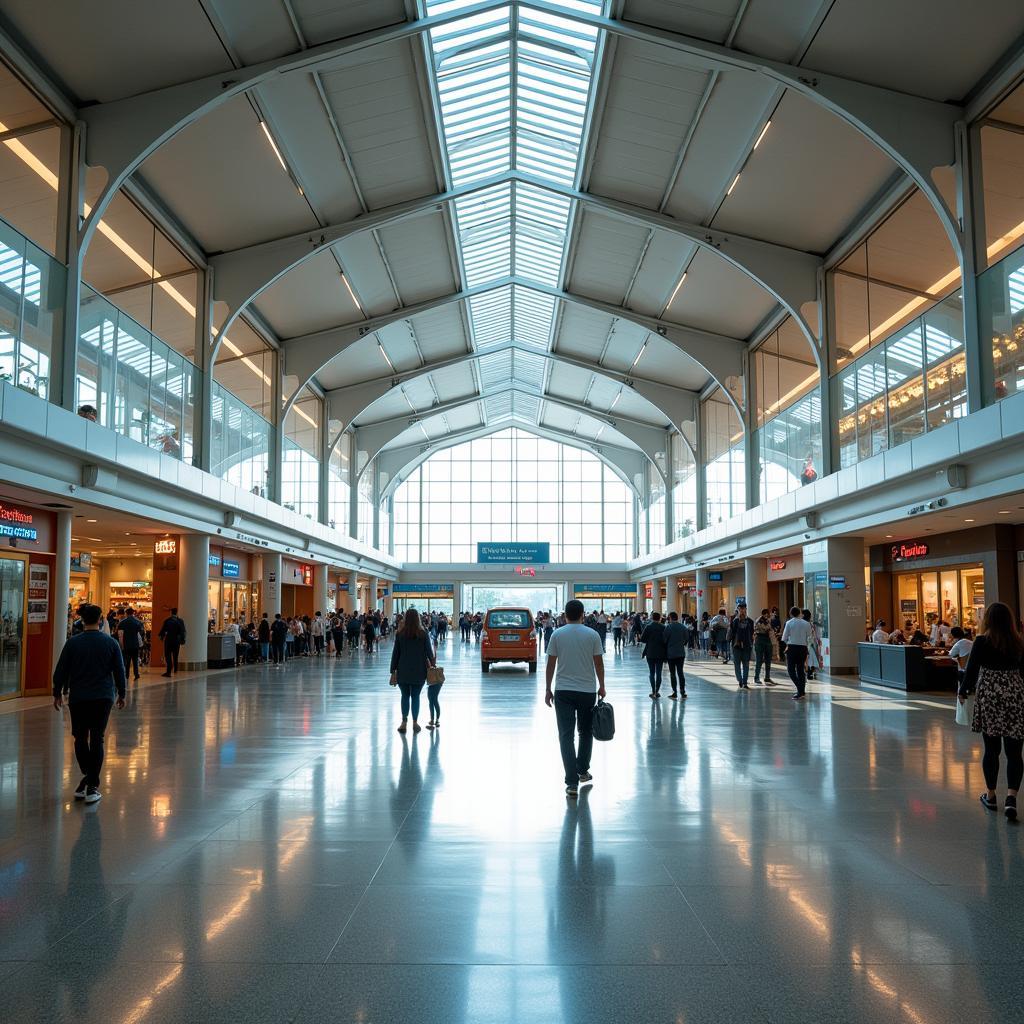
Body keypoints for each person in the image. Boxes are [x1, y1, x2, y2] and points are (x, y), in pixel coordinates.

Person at [52, 604, 126, 804]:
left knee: (79, 737)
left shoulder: (73, 643)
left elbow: (61, 670)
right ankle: (92, 783)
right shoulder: (110, 643)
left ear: (82, 621)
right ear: (101, 619)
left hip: (79, 697)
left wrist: (57, 692)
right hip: (103, 697)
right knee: (97, 738)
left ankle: (88, 777)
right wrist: (122, 693)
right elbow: (119, 670)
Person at [958, 602, 1024, 820]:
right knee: (1015, 752)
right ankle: (1012, 798)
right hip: (1014, 696)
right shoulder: (1018, 642)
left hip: (989, 697)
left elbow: (972, 668)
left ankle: (991, 795)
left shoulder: (981, 641)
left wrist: (964, 690)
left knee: (991, 749)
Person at [544, 599, 605, 799]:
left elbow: (551, 664)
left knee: (565, 735)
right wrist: (602, 686)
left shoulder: (557, 634)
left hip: (563, 691)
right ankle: (582, 771)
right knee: (586, 732)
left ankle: (571, 782)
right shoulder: (593, 634)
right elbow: (598, 664)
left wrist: (547, 688)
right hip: (587, 691)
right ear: (583, 614)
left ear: (565, 615)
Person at [390, 607, 435, 734]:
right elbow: (429, 652)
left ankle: (404, 722)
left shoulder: (400, 634)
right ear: (418, 619)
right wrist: (432, 664)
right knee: (415, 696)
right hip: (419, 670)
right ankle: (415, 722)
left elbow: (396, 653)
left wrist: (392, 669)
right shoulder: (423, 634)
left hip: (403, 669)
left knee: (405, 695)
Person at [781, 606, 813, 700]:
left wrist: (788, 643)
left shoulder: (789, 623)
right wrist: (807, 646)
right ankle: (801, 691)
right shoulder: (806, 624)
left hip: (792, 648)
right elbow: (810, 637)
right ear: (800, 613)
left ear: (790, 614)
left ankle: (800, 690)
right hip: (803, 648)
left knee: (791, 670)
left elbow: (784, 638)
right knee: (800, 670)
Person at [640, 611, 667, 699]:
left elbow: (643, 639)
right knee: (659, 672)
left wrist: (650, 640)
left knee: (652, 672)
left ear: (652, 618)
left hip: (650, 652)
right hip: (660, 653)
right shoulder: (663, 627)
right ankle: (657, 691)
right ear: (659, 618)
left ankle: (653, 691)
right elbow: (666, 640)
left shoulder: (648, 627)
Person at [728, 601, 755, 689]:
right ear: (738, 610)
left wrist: (751, 643)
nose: (742, 611)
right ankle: (740, 680)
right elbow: (731, 633)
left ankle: (745, 682)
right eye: (740, 609)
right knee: (737, 664)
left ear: (746, 609)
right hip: (736, 646)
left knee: (746, 664)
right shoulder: (734, 621)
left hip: (747, 646)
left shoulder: (750, 621)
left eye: (743, 609)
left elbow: (752, 633)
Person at [663, 611, 688, 699]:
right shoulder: (683, 627)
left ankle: (674, 692)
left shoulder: (668, 627)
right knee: (680, 672)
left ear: (670, 618)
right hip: (681, 653)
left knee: (672, 673)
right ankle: (683, 691)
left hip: (671, 654)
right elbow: (686, 639)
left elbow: (664, 640)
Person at [117, 607, 145, 682]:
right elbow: (141, 632)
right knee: (135, 660)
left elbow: (120, 635)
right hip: (135, 644)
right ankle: (136, 674)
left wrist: (121, 645)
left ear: (126, 613)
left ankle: (127, 675)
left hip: (126, 644)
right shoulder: (138, 622)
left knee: (127, 661)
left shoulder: (122, 622)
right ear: (133, 613)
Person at [157, 607, 186, 677]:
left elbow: (163, 630)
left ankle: (168, 671)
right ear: (177, 613)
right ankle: (175, 669)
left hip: (169, 640)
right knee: (176, 655)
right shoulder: (180, 621)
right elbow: (183, 631)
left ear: (171, 613)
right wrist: (183, 639)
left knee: (168, 655)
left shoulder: (167, 621)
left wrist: (161, 636)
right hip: (177, 641)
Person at [753, 608, 775, 685]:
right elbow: (766, 628)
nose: (767, 616)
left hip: (767, 640)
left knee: (768, 660)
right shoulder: (759, 620)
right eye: (767, 614)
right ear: (764, 614)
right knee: (759, 660)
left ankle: (767, 677)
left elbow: (769, 629)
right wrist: (769, 625)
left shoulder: (767, 620)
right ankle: (756, 678)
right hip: (760, 639)